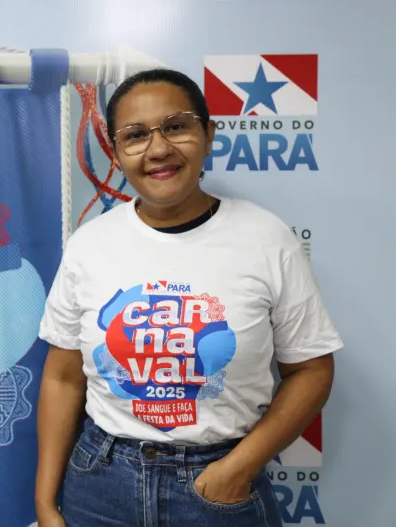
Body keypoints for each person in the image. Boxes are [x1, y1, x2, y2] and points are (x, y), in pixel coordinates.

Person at [34, 68, 343, 527]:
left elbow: (311, 369)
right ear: (116, 154)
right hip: (99, 485)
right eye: (135, 136)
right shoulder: (89, 244)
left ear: (208, 134)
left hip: (219, 487)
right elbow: (62, 378)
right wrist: (45, 501)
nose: (159, 149)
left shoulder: (266, 238)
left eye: (176, 126)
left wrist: (236, 470)